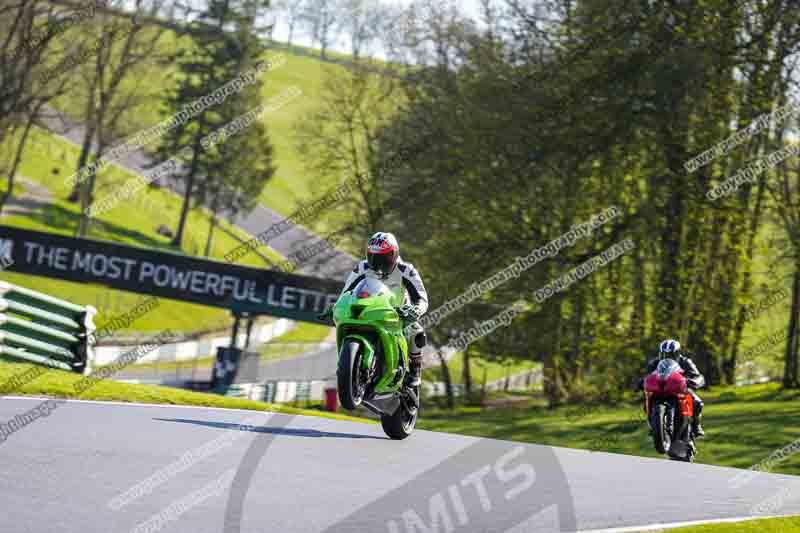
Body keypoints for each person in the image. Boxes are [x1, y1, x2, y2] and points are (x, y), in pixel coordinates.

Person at [322, 232, 429, 387]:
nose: (378, 264)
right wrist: (336, 306)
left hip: (397, 315)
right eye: (373, 258)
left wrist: (416, 309)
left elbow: (421, 297)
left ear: (394, 254)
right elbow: (346, 292)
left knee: (416, 331)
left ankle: (415, 371)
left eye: (384, 258)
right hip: (367, 310)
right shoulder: (362, 267)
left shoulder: (406, 270)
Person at [639, 339, 705, 437]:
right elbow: (647, 376)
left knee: (698, 403)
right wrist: (642, 382)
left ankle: (696, 425)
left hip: (680, 387)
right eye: (664, 354)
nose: (667, 357)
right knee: (647, 404)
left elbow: (698, 376)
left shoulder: (686, 362)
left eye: (671, 355)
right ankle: (654, 426)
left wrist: (694, 381)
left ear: (677, 354)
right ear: (660, 354)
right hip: (660, 388)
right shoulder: (654, 363)